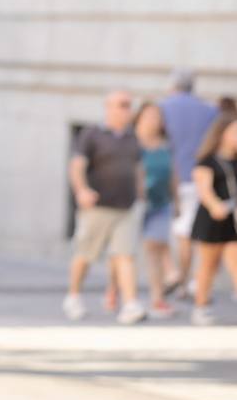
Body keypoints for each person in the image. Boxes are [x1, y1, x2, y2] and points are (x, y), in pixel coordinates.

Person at [63, 92, 146, 324]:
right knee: (85, 254)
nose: (127, 110)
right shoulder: (92, 134)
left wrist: (141, 197)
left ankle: (130, 304)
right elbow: (77, 165)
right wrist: (82, 191)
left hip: (126, 207)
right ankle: (73, 296)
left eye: (129, 105)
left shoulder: (132, 137)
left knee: (125, 255)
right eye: (122, 105)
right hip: (98, 206)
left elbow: (138, 169)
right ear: (108, 107)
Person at [159, 69, 218, 298]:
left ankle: (184, 281)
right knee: (200, 233)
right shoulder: (208, 110)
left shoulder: (163, 108)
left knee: (182, 235)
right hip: (203, 177)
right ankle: (194, 281)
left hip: (174, 179)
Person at [188, 112, 237, 326]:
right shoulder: (207, 160)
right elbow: (204, 190)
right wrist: (216, 205)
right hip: (212, 221)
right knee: (208, 266)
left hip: (233, 221)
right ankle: (201, 306)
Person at [135, 102, 178, 319]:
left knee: (156, 246)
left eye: (157, 116)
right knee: (124, 252)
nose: (154, 120)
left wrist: (177, 200)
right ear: (140, 117)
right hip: (134, 204)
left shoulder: (165, 145)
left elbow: (173, 174)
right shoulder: (132, 142)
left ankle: (157, 299)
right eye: (149, 115)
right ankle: (114, 290)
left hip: (161, 204)